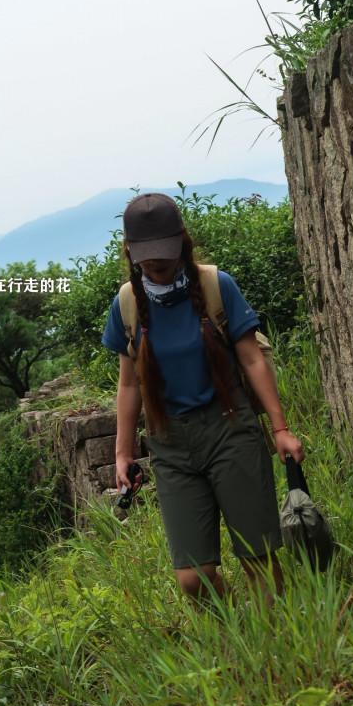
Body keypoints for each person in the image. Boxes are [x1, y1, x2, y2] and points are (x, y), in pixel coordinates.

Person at [101, 192, 304, 610]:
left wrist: (280, 429)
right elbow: (129, 385)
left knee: (257, 556)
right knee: (192, 577)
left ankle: (276, 633)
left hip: (230, 429)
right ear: (130, 251)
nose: (156, 264)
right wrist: (122, 453)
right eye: (147, 257)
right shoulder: (127, 304)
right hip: (170, 445)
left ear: (182, 241)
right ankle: (236, 631)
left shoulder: (216, 286)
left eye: (164, 253)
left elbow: (252, 358)